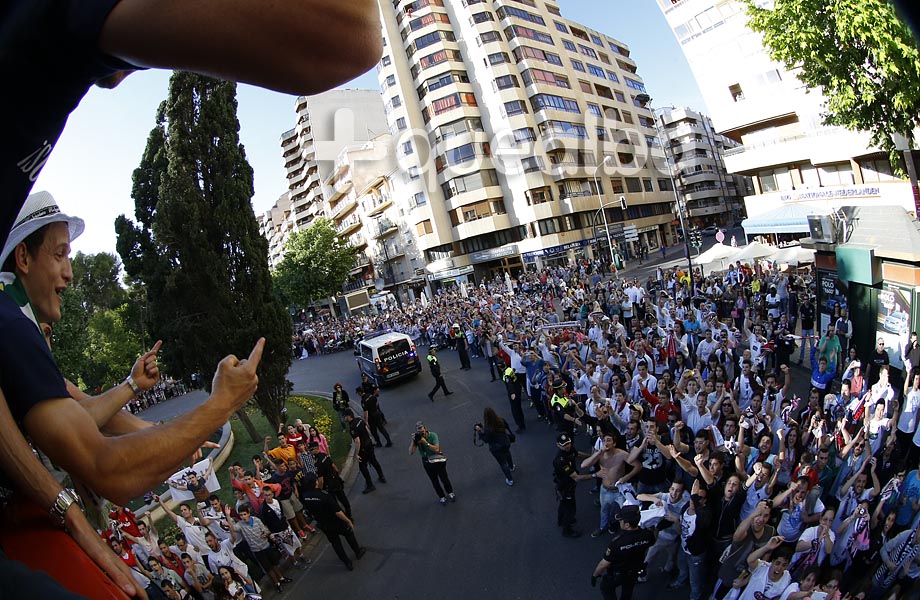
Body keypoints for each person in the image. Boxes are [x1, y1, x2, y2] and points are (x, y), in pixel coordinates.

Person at [299, 474, 366, 571]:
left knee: (335, 543)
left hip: (324, 524)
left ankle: (347, 563)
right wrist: (348, 520)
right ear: (315, 483)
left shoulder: (305, 497)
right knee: (349, 535)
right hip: (336, 521)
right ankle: (358, 552)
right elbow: (337, 511)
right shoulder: (324, 495)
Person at [223, 503, 290, 594]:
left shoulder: (256, 520)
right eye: (241, 515)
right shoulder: (241, 525)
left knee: (274, 564)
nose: (243, 517)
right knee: (268, 568)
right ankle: (276, 583)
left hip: (266, 546)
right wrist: (227, 515)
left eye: (244, 514)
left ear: (248, 513)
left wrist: (265, 534)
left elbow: (265, 530)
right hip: (257, 551)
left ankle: (281, 578)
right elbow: (232, 528)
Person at [591, 505, 655, 600]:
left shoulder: (617, 543)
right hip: (634, 570)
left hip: (618, 573)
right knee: (628, 589)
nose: (619, 521)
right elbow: (652, 542)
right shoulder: (647, 535)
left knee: (606, 588)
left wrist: (595, 575)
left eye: (621, 520)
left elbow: (604, 564)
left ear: (627, 525)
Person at [554, 432, 594, 538]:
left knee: (563, 505)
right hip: (565, 486)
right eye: (564, 444)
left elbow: (577, 454)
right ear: (558, 445)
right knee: (570, 508)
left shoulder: (569, 449)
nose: (567, 446)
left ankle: (561, 520)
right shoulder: (561, 460)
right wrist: (594, 475)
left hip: (569, 484)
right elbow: (576, 477)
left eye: (568, 443)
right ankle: (567, 530)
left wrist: (591, 456)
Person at [410, 421, 455, 506]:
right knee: (434, 481)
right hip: (426, 461)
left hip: (436, 459)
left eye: (422, 431)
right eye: (419, 432)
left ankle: (450, 492)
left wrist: (425, 443)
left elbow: (437, 450)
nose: (421, 433)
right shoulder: (417, 439)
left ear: (425, 429)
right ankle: (441, 496)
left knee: (444, 478)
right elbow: (411, 452)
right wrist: (413, 441)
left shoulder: (433, 435)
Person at [343, 408, 386, 494]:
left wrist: (357, 453)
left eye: (344, 416)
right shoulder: (359, 419)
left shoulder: (352, 427)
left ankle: (370, 485)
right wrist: (370, 439)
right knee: (374, 461)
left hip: (363, 449)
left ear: (348, 416)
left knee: (363, 467)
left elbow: (357, 441)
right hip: (369, 445)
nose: (344, 418)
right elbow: (367, 428)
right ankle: (381, 476)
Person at [310, 441, 352, 520]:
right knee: (343, 498)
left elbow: (321, 479)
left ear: (316, 448)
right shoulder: (324, 455)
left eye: (311, 450)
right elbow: (334, 467)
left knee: (334, 503)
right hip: (335, 481)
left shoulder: (318, 463)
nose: (311, 452)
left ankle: (344, 517)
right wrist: (336, 476)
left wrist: (320, 490)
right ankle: (349, 513)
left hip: (329, 485)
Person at [474, 407, 517, 486]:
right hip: (505, 442)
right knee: (507, 453)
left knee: (503, 463)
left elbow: (486, 439)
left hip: (496, 448)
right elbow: (506, 427)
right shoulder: (500, 420)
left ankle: (510, 479)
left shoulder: (488, 428)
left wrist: (479, 431)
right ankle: (511, 466)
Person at [360, 382, 392, 448]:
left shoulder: (363, 400)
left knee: (374, 431)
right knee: (382, 429)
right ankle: (389, 441)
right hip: (377, 413)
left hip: (371, 417)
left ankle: (379, 443)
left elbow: (366, 412)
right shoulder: (370, 395)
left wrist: (366, 421)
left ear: (359, 392)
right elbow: (376, 403)